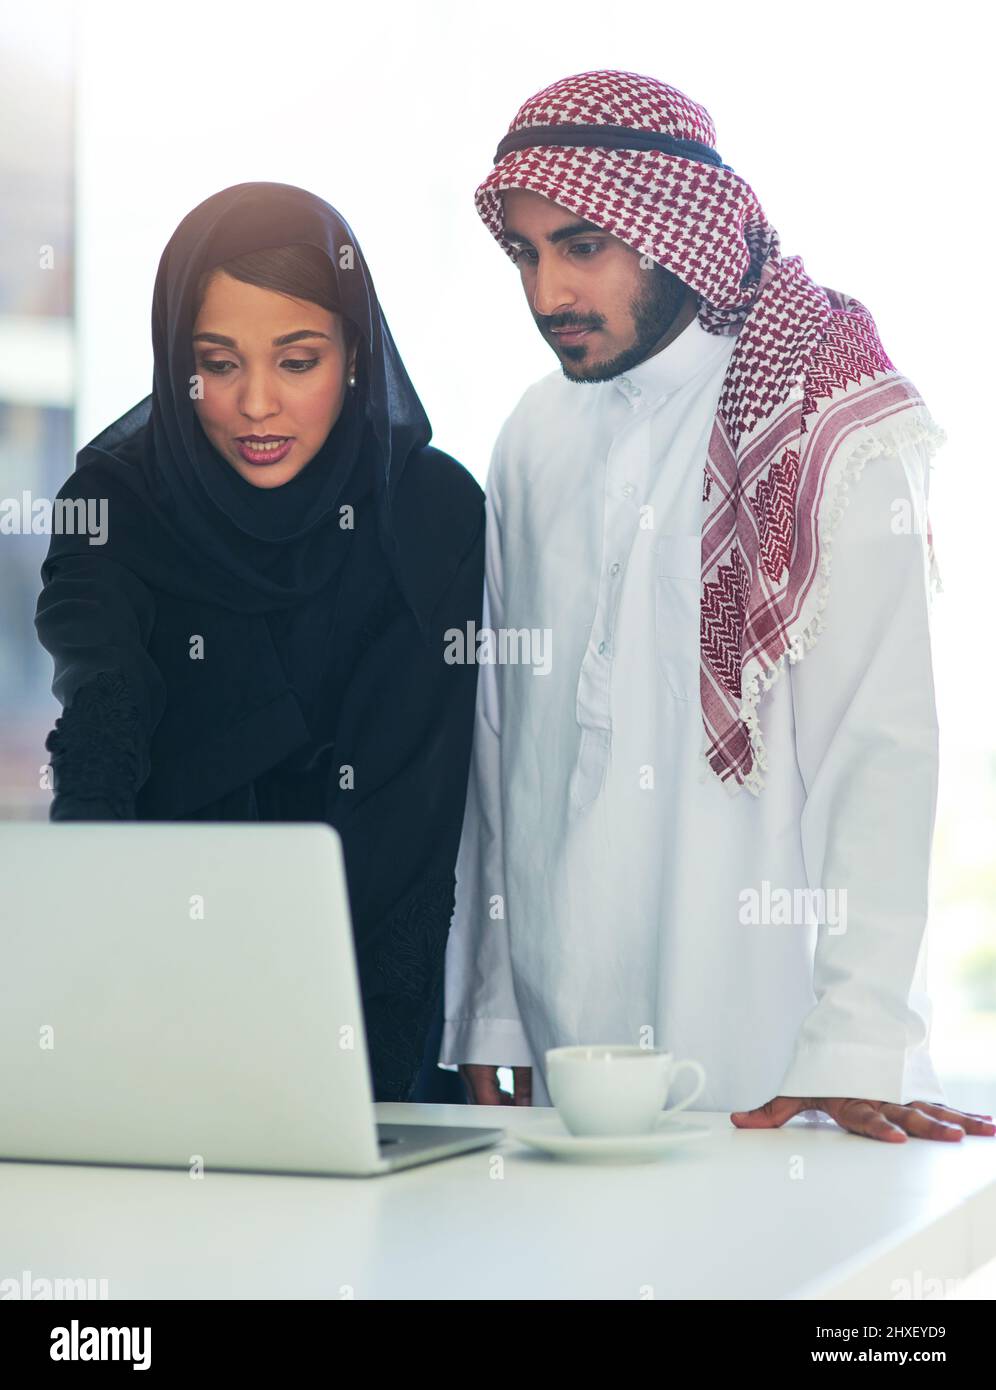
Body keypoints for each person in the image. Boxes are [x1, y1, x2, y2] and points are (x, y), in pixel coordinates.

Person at [441, 70, 995, 1144]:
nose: (549, 289)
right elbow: (503, 746)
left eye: (583, 246)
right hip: (572, 1072)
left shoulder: (826, 420)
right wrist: (494, 1008)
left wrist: (856, 1042)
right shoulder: (532, 437)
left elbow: (877, 751)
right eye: (526, 251)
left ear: (675, 231)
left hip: (780, 1079)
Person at [35, 181, 483, 1103]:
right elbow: (102, 701)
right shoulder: (117, 500)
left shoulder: (430, 513)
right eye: (218, 363)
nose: (256, 405)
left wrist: (364, 1077)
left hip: (375, 1001)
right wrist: (83, 940)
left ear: (355, 354)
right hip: (147, 978)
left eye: (298, 359)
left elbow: (417, 810)